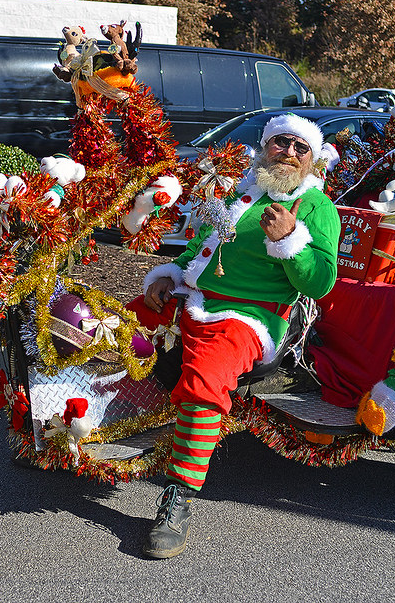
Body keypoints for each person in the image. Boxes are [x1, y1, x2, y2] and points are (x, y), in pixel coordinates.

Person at [127, 113, 341, 559]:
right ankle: (69, 428)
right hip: (193, 296)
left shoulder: (317, 207)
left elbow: (320, 282)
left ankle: (179, 496)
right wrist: (170, 275)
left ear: (311, 161)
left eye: (301, 148)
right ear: (265, 146)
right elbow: (199, 246)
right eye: (282, 143)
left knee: (206, 380)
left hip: (249, 317)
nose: (290, 153)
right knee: (110, 329)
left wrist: (291, 240)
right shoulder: (241, 189)